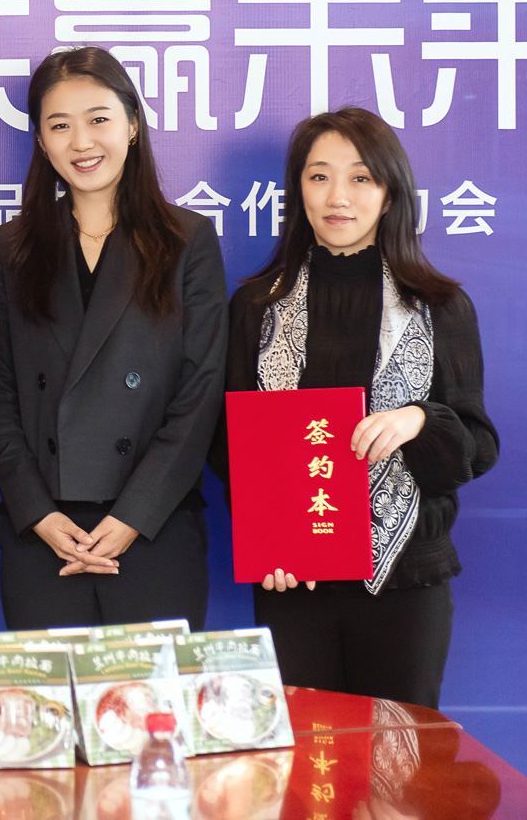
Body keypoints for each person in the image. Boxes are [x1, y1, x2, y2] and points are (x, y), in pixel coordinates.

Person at [207, 107, 496, 709]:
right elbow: (229, 445)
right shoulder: (257, 307)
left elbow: (477, 447)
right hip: (293, 581)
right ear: (298, 191)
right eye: (319, 176)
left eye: (360, 177)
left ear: (390, 193)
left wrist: (419, 420)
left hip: (405, 579)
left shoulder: (440, 306)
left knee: (398, 757)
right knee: (306, 756)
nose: (338, 196)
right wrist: (268, 540)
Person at [0, 45, 227, 631]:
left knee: (152, 696)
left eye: (98, 119)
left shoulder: (187, 240)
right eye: (59, 125)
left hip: (155, 528)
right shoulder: (12, 248)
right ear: (41, 141)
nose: (81, 142)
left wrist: (135, 515)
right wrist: (38, 513)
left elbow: (200, 393)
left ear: (133, 125)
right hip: (44, 536)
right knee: (45, 694)